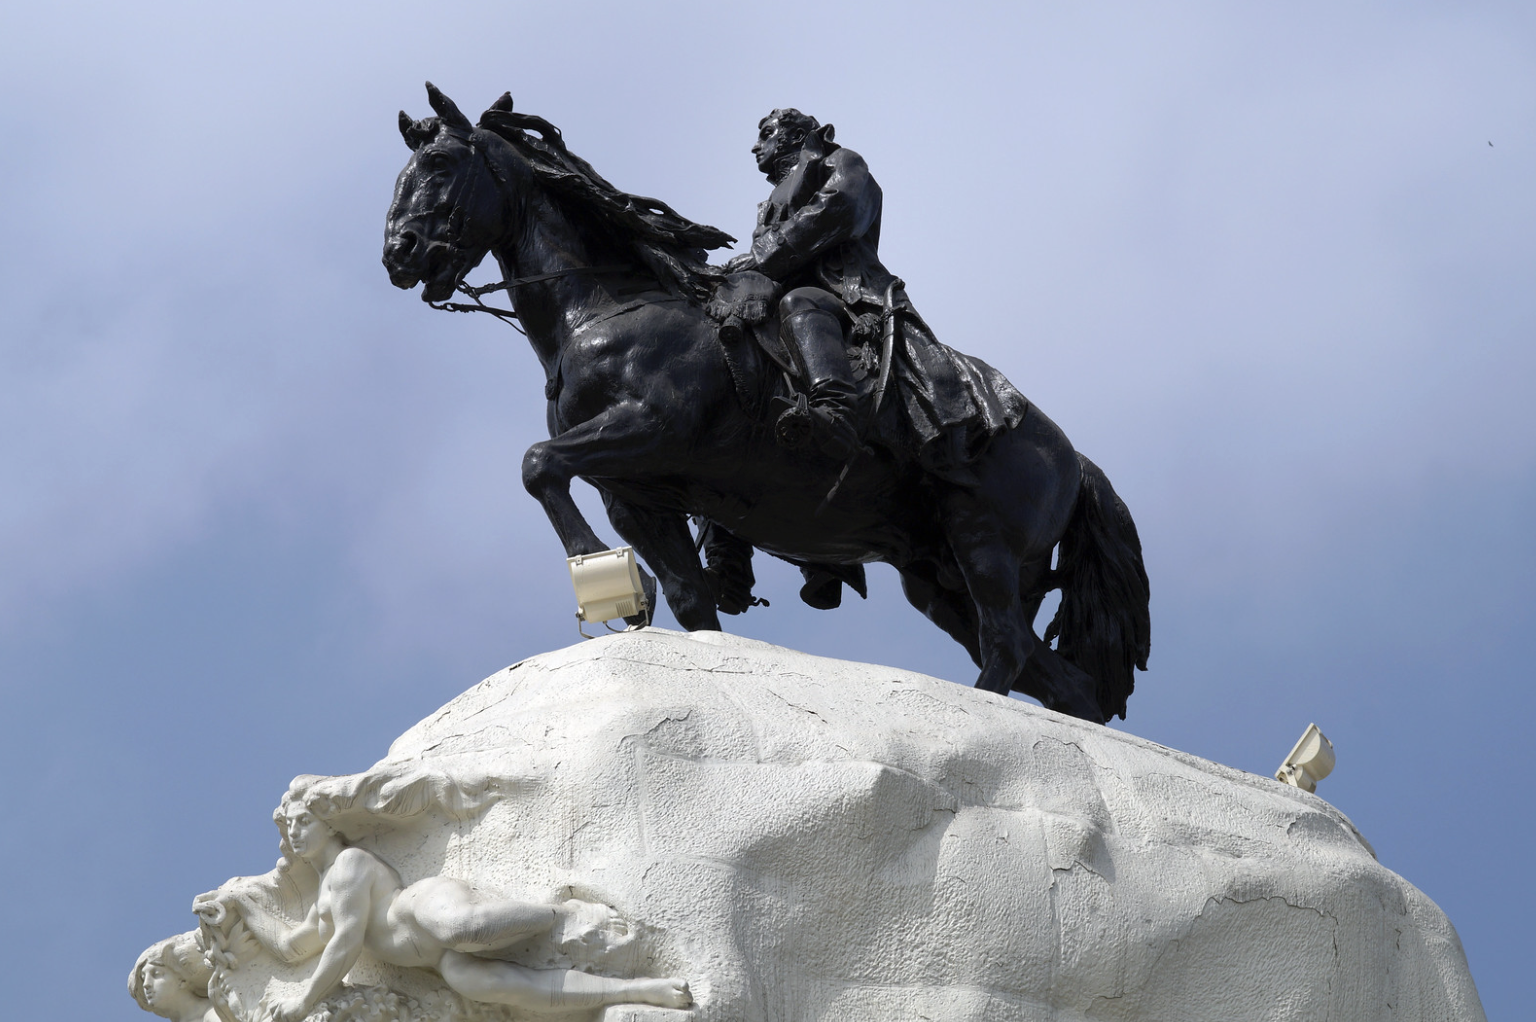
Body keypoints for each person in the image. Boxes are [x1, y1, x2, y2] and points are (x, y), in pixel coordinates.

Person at [194, 793, 692, 1022]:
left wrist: (304, 1003)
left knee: (463, 926)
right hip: (434, 960)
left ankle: (559, 912)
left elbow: (346, 942)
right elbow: (289, 945)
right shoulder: (323, 898)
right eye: (288, 830)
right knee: (502, 987)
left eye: (302, 823)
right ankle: (638, 989)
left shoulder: (347, 865)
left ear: (328, 823)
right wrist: (239, 902)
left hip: (421, 909)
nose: (294, 834)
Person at [129, 932, 220, 1022]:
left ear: (182, 979)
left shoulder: (215, 1015)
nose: (146, 984)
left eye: (156, 974)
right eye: (143, 977)